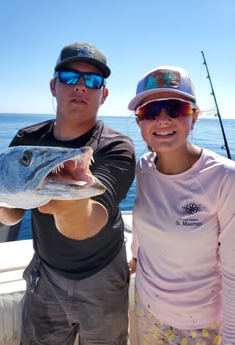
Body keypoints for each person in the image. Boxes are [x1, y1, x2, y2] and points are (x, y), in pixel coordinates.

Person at [0, 42, 136, 344]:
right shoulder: (27, 138)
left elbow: (90, 222)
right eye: (69, 77)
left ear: (104, 93)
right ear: (54, 86)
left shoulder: (116, 147)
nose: (80, 86)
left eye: (92, 80)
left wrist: (65, 204)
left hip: (103, 275)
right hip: (45, 273)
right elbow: (12, 214)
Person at [127, 65, 235, 345]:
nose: (162, 120)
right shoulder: (143, 168)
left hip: (201, 326)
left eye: (174, 108)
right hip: (148, 310)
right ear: (140, 122)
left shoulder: (226, 178)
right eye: (150, 112)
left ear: (194, 117)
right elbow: (143, 217)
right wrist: (136, 255)